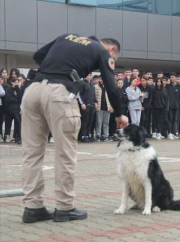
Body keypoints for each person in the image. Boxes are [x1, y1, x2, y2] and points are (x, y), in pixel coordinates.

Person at [21, 34, 128, 223]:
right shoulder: (102, 51)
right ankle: (64, 208)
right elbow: (111, 87)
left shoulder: (66, 36)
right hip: (59, 93)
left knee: (31, 154)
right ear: (112, 50)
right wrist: (119, 114)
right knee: (65, 154)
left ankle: (32, 207)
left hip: (33, 90)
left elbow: (38, 56)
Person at [78, 73, 97, 143]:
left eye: (90, 75)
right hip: (85, 105)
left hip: (92, 105)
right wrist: (82, 103)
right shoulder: (82, 83)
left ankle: (87, 135)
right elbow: (79, 94)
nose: (89, 76)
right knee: (85, 120)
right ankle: (83, 136)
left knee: (90, 120)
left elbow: (93, 94)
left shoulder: (92, 84)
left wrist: (95, 102)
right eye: (87, 75)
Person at [4, 77, 23, 144]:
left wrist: (17, 88)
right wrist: (16, 99)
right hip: (10, 108)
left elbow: (21, 97)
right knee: (8, 122)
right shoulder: (9, 89)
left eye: (17, 82)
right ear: (12, 82)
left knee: (18, 122)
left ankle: (18, 137)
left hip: (17, 108)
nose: (16, 83)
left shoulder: (18, 89)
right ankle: (7, 135)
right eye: (15, 82)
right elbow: (8, 98)